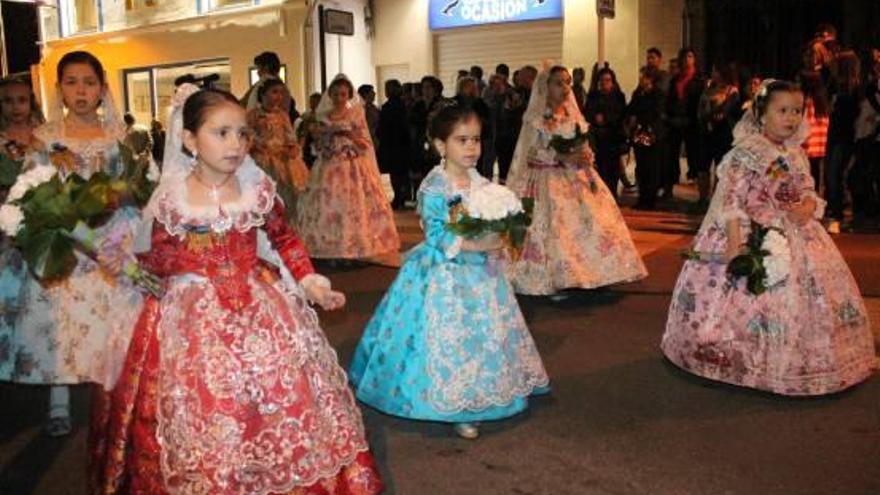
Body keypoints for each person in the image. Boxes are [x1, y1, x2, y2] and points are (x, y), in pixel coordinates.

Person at [92, 84, 383, 494]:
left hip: (257, 303)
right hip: (192, 317)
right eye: (221, 133)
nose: (235, 144)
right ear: (190, 139)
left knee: (272, 392)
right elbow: (156, 258)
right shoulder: (171, 197)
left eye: (242, 134)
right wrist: (129, 264)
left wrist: (310, 281)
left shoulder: (256, 189)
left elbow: (284, 238)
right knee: (210, 401)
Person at [662, 80, 876, 395]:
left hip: (797, 231)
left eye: (796, 111)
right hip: (754, 231)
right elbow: (732, 203)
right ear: (761, 113)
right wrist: (736, 247)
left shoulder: (795, 152)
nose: (791, 118)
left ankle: (801, 361)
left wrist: (807, 204)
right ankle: (742, 358)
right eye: (782, 110)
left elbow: (806, 189)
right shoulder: (746, 153)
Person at [349, 104, 549, 440]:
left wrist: (503, 232)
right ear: (441, 146)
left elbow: (495, 217)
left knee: (485, 335)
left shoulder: (481, 182)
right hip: (445, 274)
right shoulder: (435, 186)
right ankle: (457, 404)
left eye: (477, 140)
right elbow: (437, 234)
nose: (472, 147)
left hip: (482, 275)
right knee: (449, 338)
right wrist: (476, 245)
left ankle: (483, 395)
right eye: (462, 140)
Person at [1, 51, 147, 437]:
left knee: (112, 317)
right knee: (60, 320)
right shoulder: (45, 138)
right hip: (65, 236)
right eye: (71, 82)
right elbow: (31, 188)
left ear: (101, 89)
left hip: (112, 235)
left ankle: (114, 394)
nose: (80, 90)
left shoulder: (120, 137)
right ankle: (59, 397)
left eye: (88, 82)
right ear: (60, 89)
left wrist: (124, 196)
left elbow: (134, 183)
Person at [506, 65, 647, 297]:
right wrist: (560, 156)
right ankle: (556, 278)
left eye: (567, 82)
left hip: (576, 175)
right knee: (556, 227)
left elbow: (583, 144)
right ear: (545, 86)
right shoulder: (537, 117)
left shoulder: (572, 114)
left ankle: (595, 272)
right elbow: (530, 152)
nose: (564, 88)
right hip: (547, 178)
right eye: (558, 83)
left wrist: (585, 155)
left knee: (592, 221)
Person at [296, 74, 400, 260]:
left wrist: (348, 136)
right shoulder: (324, 116)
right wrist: (324, 137)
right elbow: (319, 145)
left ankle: (354, 245)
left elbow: (364, 142)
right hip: (330, 164)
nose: (339, 98)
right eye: (335, 94)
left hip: (351, 164)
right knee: (330, 204)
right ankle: (332, 247)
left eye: (343, 94)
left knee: (354, 203)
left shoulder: (355, 114)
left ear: (348, 95)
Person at [247, 77, 309, 220]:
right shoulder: (253, 115)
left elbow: (290, 136)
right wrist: (260, 144)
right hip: (263, 160)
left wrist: (292, 148)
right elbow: (248, 135)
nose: (279, 97)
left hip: (284, 160)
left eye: (281, 93)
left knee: (288, 196)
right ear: (263, 95)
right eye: (274, 92)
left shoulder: (282, 115)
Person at [825, 50, 862, 234]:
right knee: (831, 174)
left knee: (836, 174)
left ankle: (838, 214)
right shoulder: (835, 86)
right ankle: (834, 210)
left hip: (845, 136)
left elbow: (853, 115)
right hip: (834, 133)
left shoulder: (855, 89)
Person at [664, 47, 705, 196]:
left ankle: (696, 186)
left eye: (690, 56)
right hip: (675, 121)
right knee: (671, 154)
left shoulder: (699, 80)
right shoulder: (676, 79)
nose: (687, 60)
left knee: (694, 154)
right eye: (685, 57)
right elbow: (670, 100)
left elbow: (701, 102)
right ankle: (670, 186)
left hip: (691, 122)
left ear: (694, 59)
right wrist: (669, 117)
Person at [626, 66, 666, 210]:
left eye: (643, 77)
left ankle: (650, 199)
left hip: (652, 135)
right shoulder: (638, 94)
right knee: (641, 167)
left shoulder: (658, 94)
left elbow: (656, 113)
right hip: (639, 134)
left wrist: (644, 121)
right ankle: (642, 197)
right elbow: (631, 109)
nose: (641, 80)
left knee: (652, 167)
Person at [586, 65, 629, 198]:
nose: (605, 83)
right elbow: (587, 113)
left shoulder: (618, 96)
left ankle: (612, 194)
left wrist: (605, 118)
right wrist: (595, 118)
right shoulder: (593, 96)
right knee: (600, 170)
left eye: (608, 80)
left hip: (613, 138)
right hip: (597, 139)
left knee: (613, 171)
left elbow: (621, 114)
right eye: (602, 80)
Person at [377, 79, 412, 209]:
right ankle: (401, 197)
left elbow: (382, 128)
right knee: (401, 173)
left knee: (394, 173)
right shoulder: (404, 105)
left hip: (391, 144)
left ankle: (398, 197)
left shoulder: (387, 107)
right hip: (402, 144)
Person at [241, 51, 299, 123]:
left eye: (259, 68)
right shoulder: (283, 87)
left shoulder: (264, 84)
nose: (258, 72)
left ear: (266, 67)